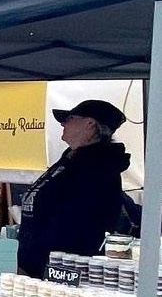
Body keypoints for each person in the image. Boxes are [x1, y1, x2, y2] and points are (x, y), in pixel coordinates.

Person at [16, 99, 130, 278]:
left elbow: (72, 225)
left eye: (69, 118)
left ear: (90, 124)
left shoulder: (97, 168)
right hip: (37, 266)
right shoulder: (71, 159)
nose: (62, 123)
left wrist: (35, 262)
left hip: (61, 269)